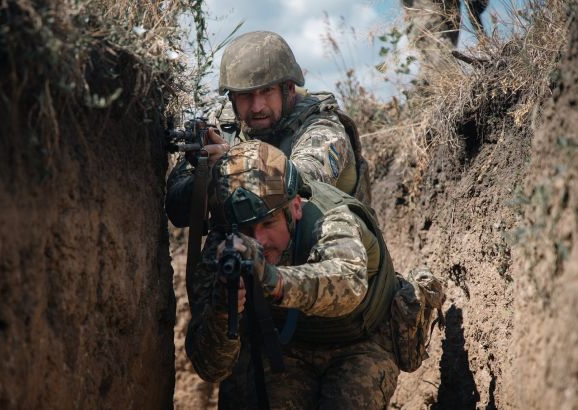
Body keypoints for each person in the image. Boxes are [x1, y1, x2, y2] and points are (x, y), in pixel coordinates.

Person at [185, 140, 399, 409]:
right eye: (247, 229)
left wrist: (273, 281)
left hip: (361, 343)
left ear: (296, 207)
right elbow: (211, 368)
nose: (259, 240)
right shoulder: (226, 246)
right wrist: (224, 309)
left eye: (268, 223)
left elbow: (347, 284)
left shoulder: (333, 218)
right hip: (287, 346)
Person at [166, 30, 371, 228]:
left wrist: (228, 168)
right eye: (246, 95)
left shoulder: (321, 126)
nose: (257, 107)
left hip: (329, 245)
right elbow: (177, 211)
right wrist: (205, 175)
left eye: (267, 91)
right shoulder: (221, 126)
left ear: (289, 89)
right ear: (232, 97)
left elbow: (301, 181)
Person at [401, 0, 488, 80]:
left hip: (449, 12)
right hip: (424, 10)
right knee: (444, 64)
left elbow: (475, 5)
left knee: (434, 68)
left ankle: (425, 88)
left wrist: (482, 37)